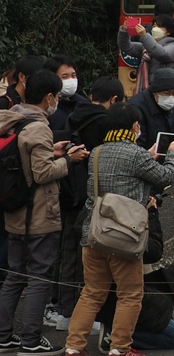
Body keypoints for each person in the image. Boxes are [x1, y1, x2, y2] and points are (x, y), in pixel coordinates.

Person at [63, 103, 174, 356]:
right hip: (124, 237)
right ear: (134, 126)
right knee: (130, 294)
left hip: (93, 233)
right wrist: (172, 154)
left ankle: (74, 347)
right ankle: (119, 349)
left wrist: (146, 158)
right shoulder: (136, 155)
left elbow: (121, 172)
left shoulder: (96, 152)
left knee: (92, 292)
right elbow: (166, 176)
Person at [0, 70, 89, 356]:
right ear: (49, 97)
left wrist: (53, 151)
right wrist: (69, 160)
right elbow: (41, 173)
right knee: (39, 276)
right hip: (37, 215)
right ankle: (31, 339)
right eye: (57, 97)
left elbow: (25, 160)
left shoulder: (13, 119)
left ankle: (3, 336)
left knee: (14, 275)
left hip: (14, 213)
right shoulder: (38, 126)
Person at [50, 77, 125, 329]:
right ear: (114, 100)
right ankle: (77, 314)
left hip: (68, 191)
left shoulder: (75, 113)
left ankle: (65, 309)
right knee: (87, 258)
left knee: (68, 252)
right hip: (88, 196)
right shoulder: (103, 122)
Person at [100, 200, 174, 354]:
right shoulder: (129, 220)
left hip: (107, 292)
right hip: (129, 292)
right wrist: (151, 214)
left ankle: (82, 344)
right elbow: (153, 251)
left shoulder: (98, 218)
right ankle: (117, 337)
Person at [118, 13, 174, 92]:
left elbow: (162, 53)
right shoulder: (146, 46)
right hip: (146, 90)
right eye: (154, 26)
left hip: (162, 90)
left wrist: (144, 36)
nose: (155, 29)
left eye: (159, 26)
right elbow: (126, 47)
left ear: (169, 32)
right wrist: (124, 31)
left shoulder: (173, 46)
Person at [126, 67, 174, 151]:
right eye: (166, 93)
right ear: (154, 92)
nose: (171, 97)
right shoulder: (136, 108)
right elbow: (136, 144)